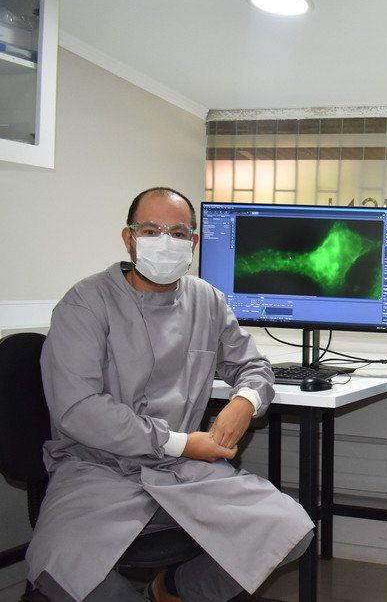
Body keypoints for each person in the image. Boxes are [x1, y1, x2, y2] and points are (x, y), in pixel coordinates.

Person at [27, 187, 314, 602]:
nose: (166, 242)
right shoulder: (86, 304)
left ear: (194, 243)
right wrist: (179, 441)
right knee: (64, 573)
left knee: (290, 533)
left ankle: (171, 589)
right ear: (129, 238)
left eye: (179, 233)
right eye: (151, 230)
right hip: (98, 469)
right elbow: (78, 408)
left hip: (183, 472)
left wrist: (244, 402)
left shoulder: (207, 301)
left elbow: (253, 367)